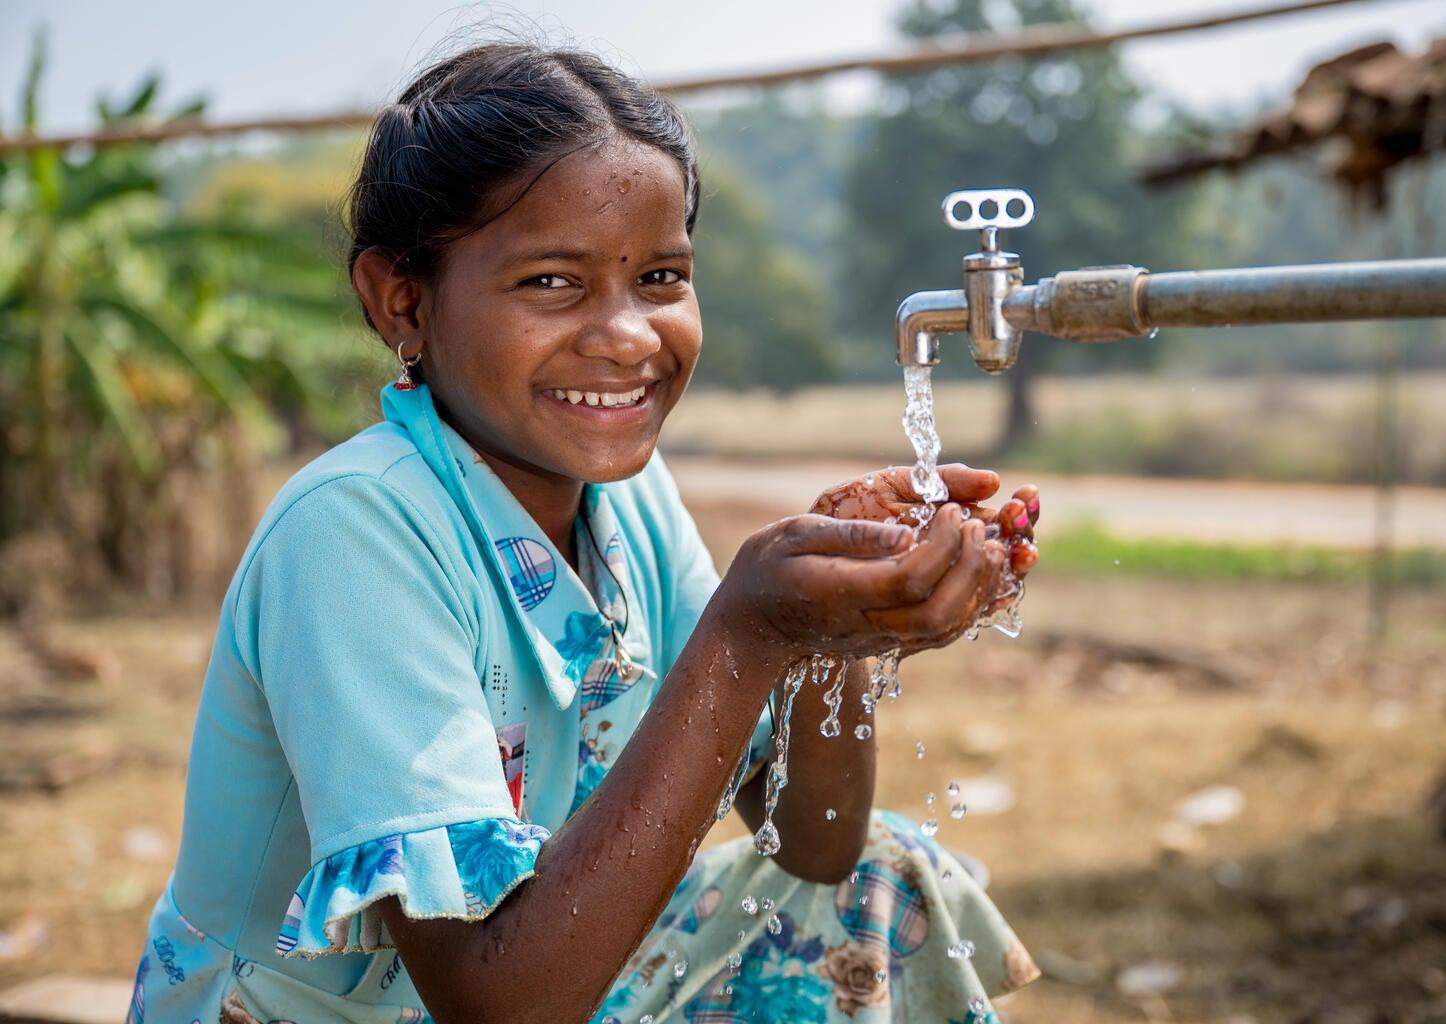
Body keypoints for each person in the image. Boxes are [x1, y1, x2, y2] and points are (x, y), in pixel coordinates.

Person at [127, 41, 1043, 1024]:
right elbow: (498, 1002)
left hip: (545, 983)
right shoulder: (355, 532)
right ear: (403, 301)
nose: (626, 334)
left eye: (659, 276)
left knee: (878, 876)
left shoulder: (629, 504)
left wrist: (827, 631)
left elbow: (813, 846)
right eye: (552, 283)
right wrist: (750, 633)